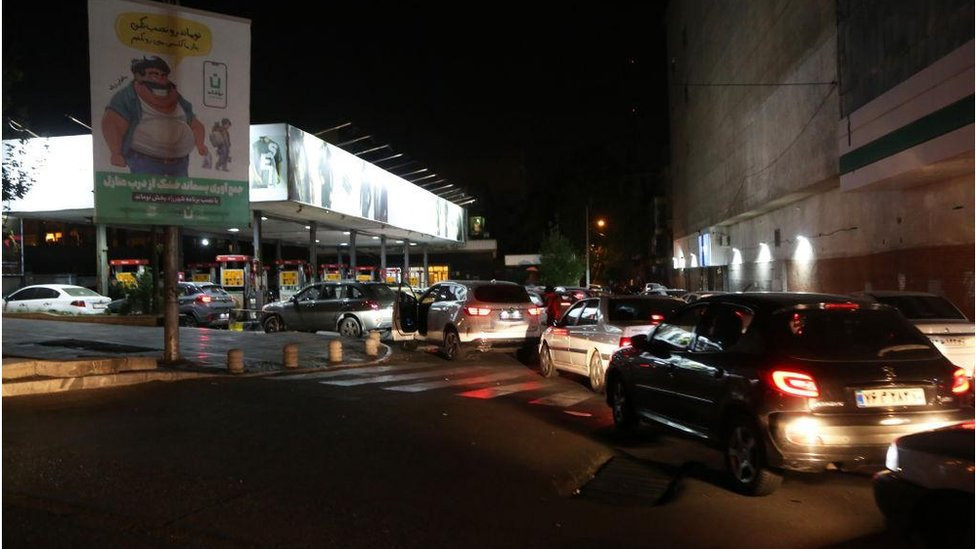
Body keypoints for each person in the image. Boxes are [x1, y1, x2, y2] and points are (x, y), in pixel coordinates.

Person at [101, 56, 208, 177]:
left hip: (180, 163)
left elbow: (195, 124)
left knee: (181, 195)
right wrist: (116, 153)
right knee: (145, 193)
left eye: (163, 75)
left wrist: (200, 144)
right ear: (139, 76)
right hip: (145, 161)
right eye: (154, 74)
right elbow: (113, 122)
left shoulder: (176, 97)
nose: (160, 80)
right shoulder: (128, 97)